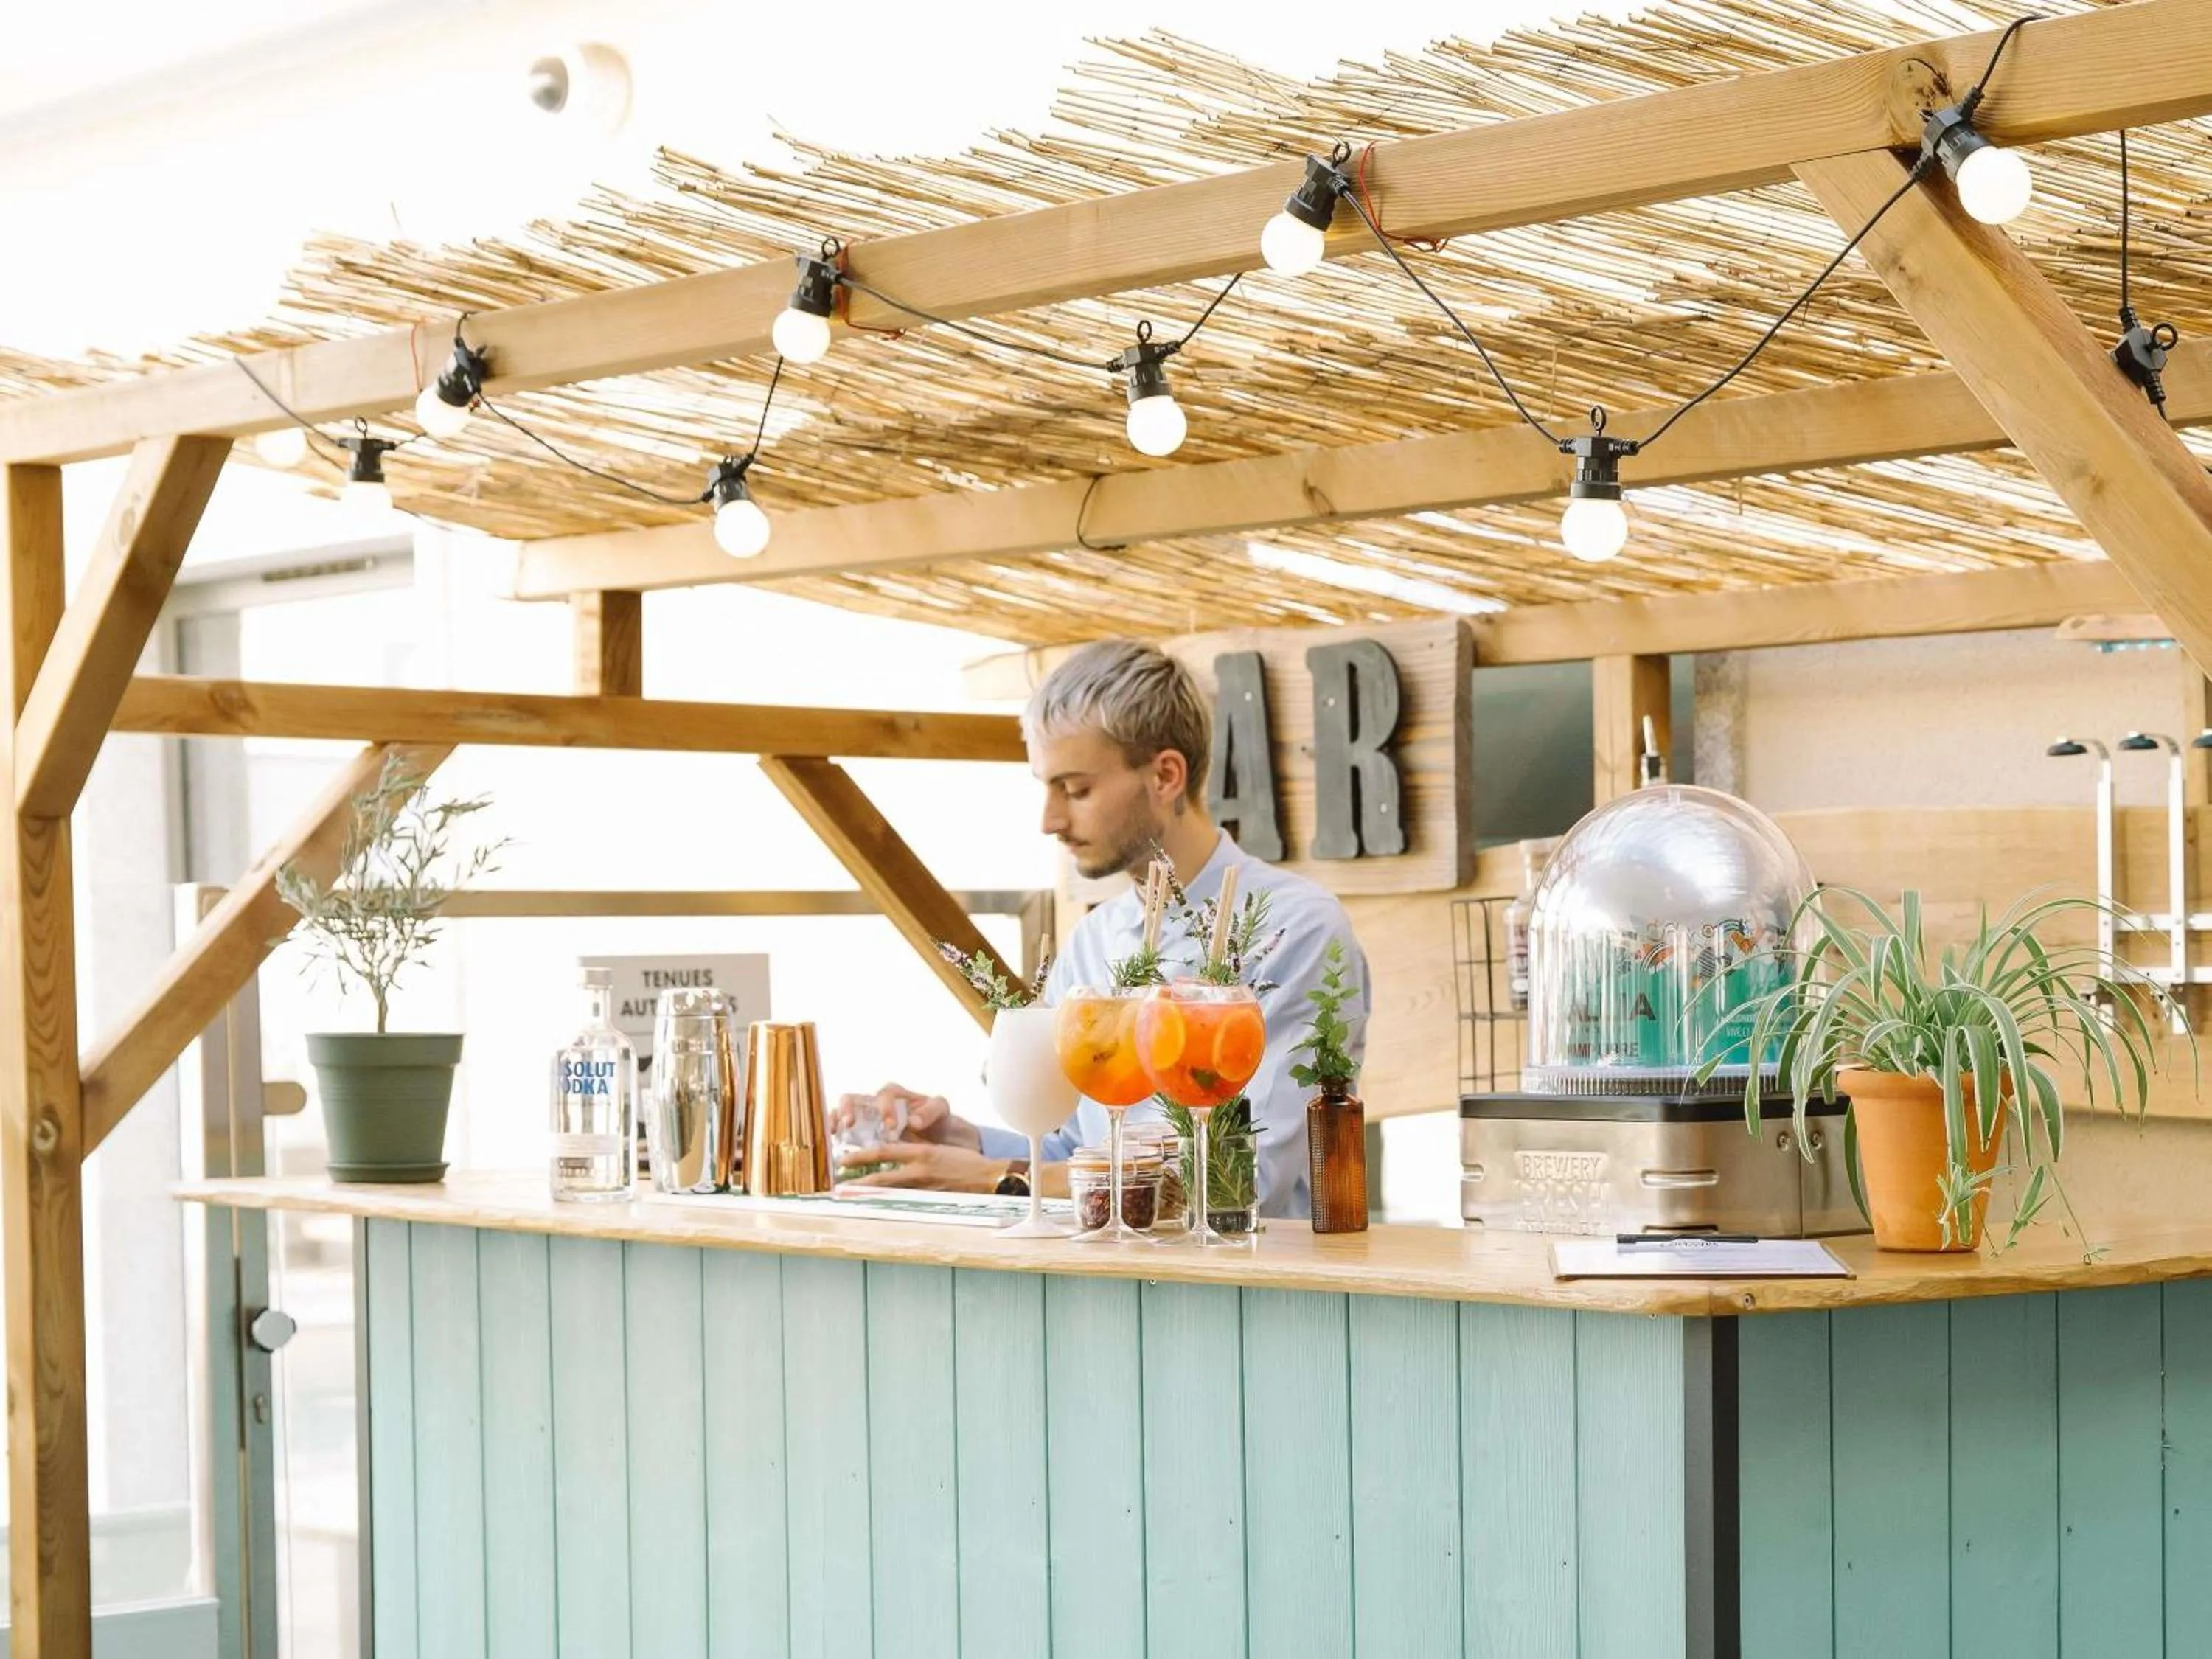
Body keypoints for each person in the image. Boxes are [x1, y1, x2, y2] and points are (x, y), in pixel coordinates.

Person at [835, 639, 1371, 1218]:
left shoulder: (1299, 930)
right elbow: (1077, 1151)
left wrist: (998, 1177)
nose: (1050, 821)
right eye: (1045, 787)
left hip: (1245, 1294)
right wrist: (961, 1145)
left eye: (1076, 789)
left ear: (1166, 776)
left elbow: (1245, 1179)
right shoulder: (1094, 941)